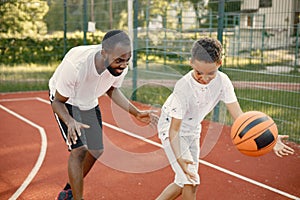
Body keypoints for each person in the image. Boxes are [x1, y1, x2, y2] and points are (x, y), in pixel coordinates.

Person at [155, 37, 295, 200]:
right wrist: (180, 158)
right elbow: (174, 130)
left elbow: (240, 118)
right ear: (191, 62)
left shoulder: (223, 82)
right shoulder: (183, 87)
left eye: (211, 73)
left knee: (182, 182)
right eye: (199, 73)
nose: (205, 78)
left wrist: (269, 137)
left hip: (193, 129)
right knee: (191, 181)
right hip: (171, 128)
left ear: (219, 64)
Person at [49, 30, 155, 200]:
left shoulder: (120, 67)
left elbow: (112, 89)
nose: (123, 65)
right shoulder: (76, 64)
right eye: (119, 60)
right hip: (67, 101)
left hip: (89, 100)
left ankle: (70, 189)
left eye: (127, 60)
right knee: (79, 150)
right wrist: (70, 121)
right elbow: (57, 102)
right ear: (104, 53)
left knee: (97, 149)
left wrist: (136, 112)